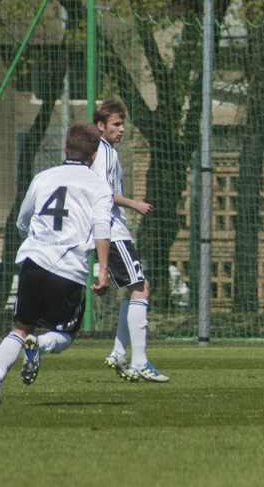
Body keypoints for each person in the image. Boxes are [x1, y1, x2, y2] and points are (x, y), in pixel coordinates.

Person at [0, 123, 113, 406]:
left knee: (20, 328)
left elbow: (22, 221)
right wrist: (102, 270)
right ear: (93, 155)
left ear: (66, 147)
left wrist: (38, 243)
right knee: (64, 334)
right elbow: (102, 227)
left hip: (33, 264)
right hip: (68, 271)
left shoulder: (43, 177)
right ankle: (38, 345)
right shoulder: (98, 185)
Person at [92, 99, 168, 383]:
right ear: (101, 126)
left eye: (122, 124)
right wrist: (135, 204)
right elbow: (103, 194)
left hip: (113, 230)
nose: (122, 129)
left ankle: (118, 353)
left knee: (139, 287)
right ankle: (139, 361)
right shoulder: (104, 152)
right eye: (116, 124)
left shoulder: (105, 151)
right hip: (111, 231)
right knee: (140, 289)